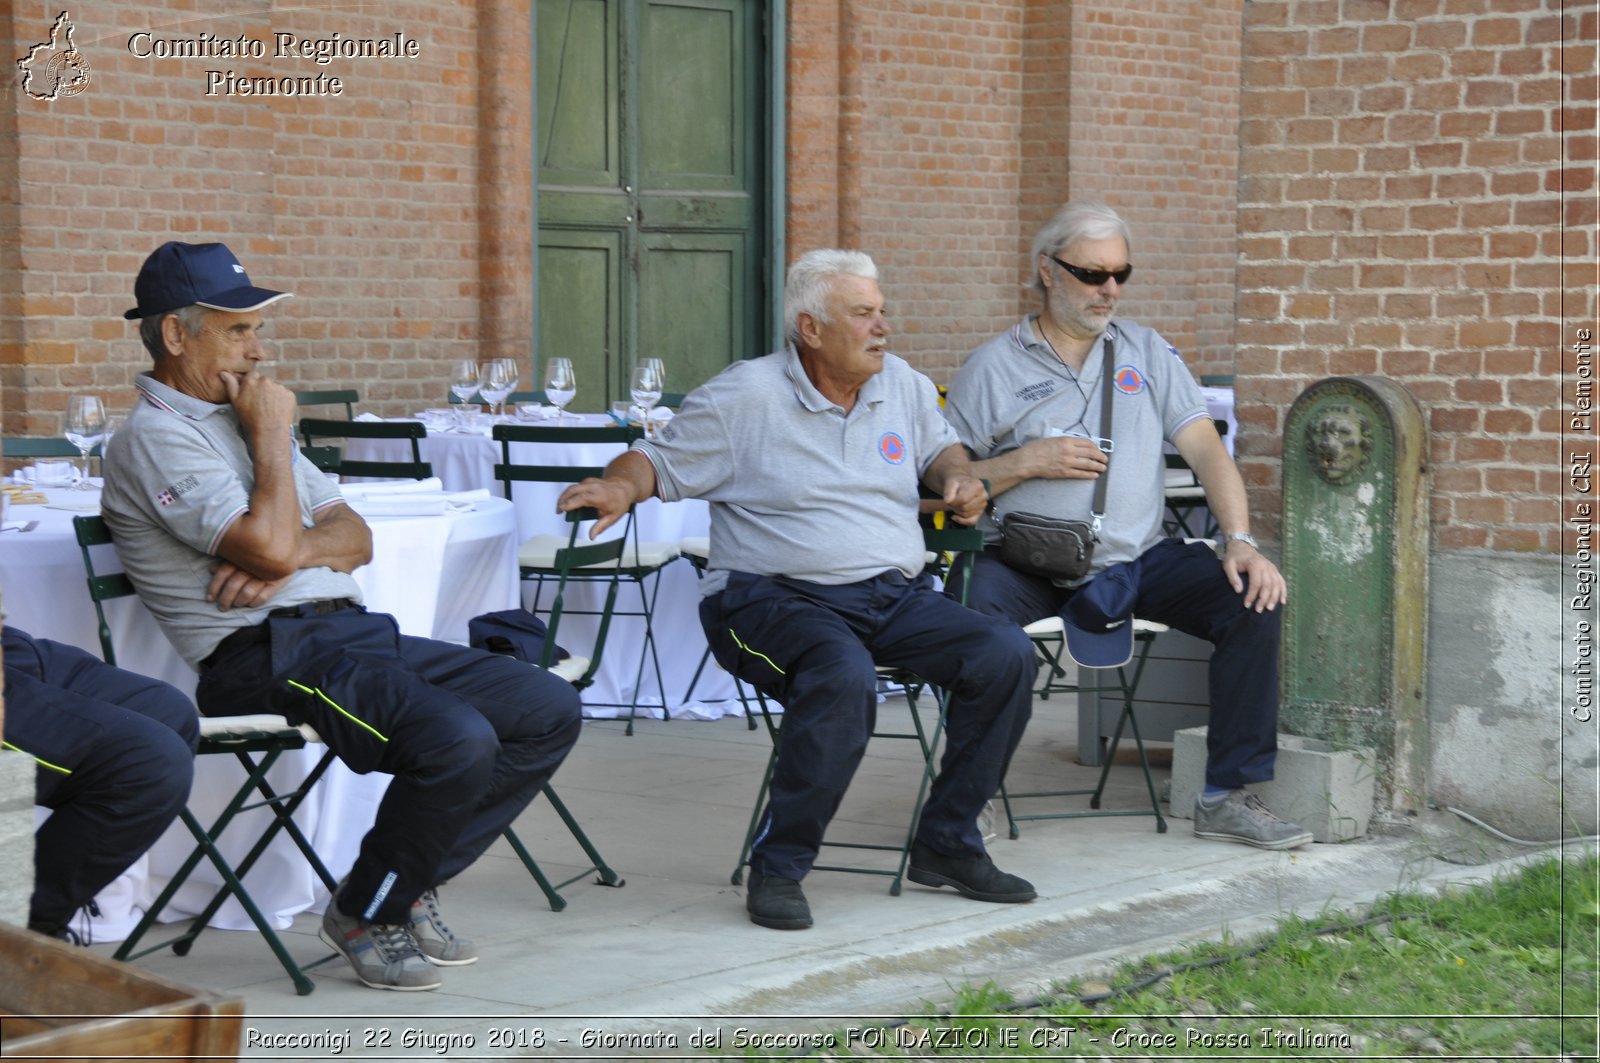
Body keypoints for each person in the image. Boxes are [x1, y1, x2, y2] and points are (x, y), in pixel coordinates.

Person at [101, 241, 584, 991]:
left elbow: (353, 538)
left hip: (348, 635)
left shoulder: (247, 411)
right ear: (175, 334)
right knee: (453, 737)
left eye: (256, 330)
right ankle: (368, 911)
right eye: (238, 330)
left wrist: (288, 553)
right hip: (260, 655)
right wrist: (270, 454)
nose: (258, 351)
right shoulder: (155, 437)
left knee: (545, 703)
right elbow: (266, 541)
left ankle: (399, 883)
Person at [557, 249, 1040, 930]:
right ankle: (779, 866)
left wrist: (959, 477)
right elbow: (654, 460)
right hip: (767, 598)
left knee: (1003, 653)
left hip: (891, 595)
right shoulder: (746, 395)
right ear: (810, 329)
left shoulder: (898, 382)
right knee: (842, 677)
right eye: (863, 314)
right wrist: (617, 486)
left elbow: (942, 449)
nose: (883, 328)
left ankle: (947, 841)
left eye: (882, 311)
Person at [945, 201, 1312, 851]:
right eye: (1091, 273)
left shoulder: (1147, 350)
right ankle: (969, 794)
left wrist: (1241, 540)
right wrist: (1026, 462)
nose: (1109, 289)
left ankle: (1227, 795)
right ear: (1047, 271)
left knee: (1252, 598)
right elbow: (953, 481)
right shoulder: (992, 365)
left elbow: (1206, 451)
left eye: (1121, 273)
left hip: (1132, 560)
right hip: (1022, 560)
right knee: (971, 620)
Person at [1, 622, 198, 943]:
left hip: (12, 645)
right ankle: (23, 935)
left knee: (168, 709)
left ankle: (31, 919)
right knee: (148, 764)